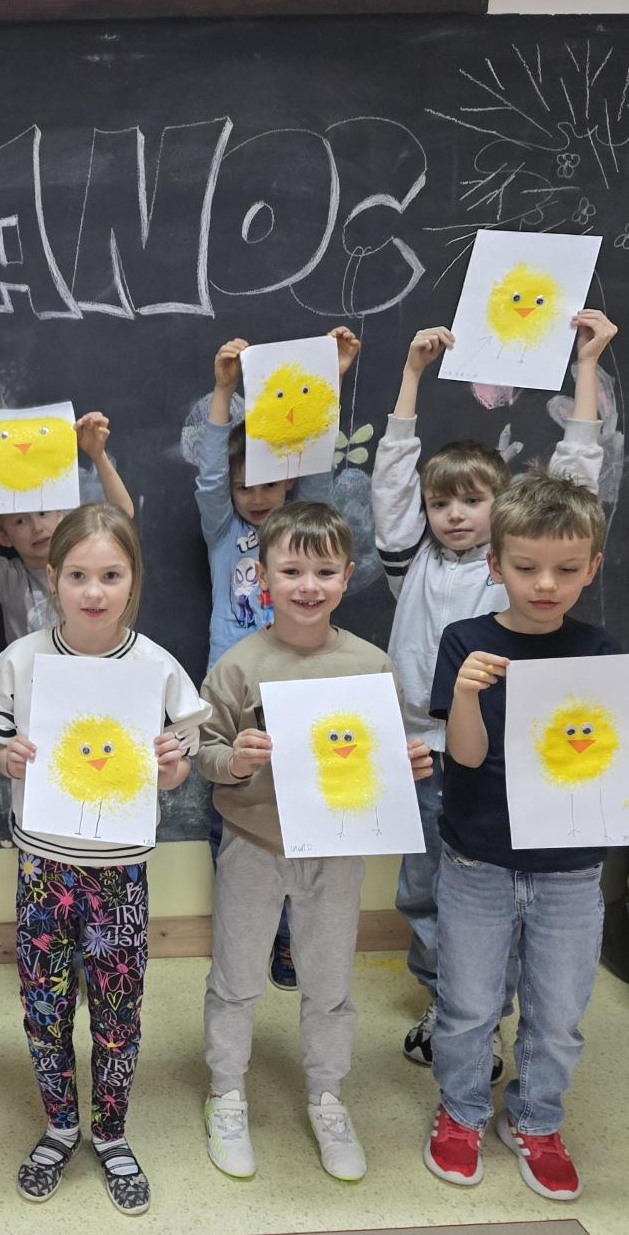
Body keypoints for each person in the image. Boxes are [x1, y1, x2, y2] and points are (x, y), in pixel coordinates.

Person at [423, 472, 629, 1201]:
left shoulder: (599, 648)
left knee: (558, 1012)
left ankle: (536, 1118)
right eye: (526, 566)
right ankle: (461, 1111)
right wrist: (468, 692)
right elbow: (466, 757)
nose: (545, 584)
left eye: (566, 569)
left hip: (571, 870)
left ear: (592, 568)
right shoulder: (466, 641)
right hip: (478, 858)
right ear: (494, 564)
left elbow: (614, 756)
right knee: (468, 1004)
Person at [374, 312, 613, 1073]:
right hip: (423, 748)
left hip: (506, 754)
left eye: (472, 501)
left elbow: (575, 484)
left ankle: (490, 1005)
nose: (453, 514)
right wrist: (410, 376)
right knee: (422, 887)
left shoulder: (511, 569)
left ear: (503, 514)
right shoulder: (408, 563)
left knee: (503, 890)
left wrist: (585, 367)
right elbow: (391, 482)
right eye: (440, 503)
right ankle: (448, 999)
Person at [197, 501, 432, 1183]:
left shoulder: (369, 663)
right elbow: (203, 750)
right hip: (252, 844)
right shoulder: (238, 665)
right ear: (263, 576)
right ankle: (226, 1091)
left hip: (335, 851)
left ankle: (327, 1094)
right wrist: (234, 759)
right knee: (236, 977)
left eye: (324, 571)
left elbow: (381, 754)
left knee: (329, 983)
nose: (308, 585)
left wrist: (404, 766)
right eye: (291, 570)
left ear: (347, 576)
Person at [0, 502, 208, 1215]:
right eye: (78, 574)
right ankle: (60, 1125)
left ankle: (109, 1132)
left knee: (117, 1011)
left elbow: (181, 757)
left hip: (119, 872)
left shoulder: (155, 667)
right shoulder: (22, 660)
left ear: (133, 579)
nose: (93, 591)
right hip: (43, 868)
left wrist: (172, 768)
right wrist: (7, 756)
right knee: (44, 1005)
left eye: (111, 575)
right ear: (52, 576)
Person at [195, 327, 360, 991]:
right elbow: (210, 474)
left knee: (300, 814)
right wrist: (223, 390)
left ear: (287, 479)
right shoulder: (224, 531)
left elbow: (315, 465)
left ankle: (290, 940)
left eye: (269, 482)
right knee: (232, 811)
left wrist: (332, 379)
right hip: (237, 690)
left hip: (302, 681)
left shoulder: (302, 527)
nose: (257, 496)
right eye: (245, 487)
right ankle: (245, 927)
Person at [0, 411, 135, 644]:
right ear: (3, 537)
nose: (37, 527)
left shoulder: (85, 559)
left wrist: (98, 455)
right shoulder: (11, 579)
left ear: (60, 514)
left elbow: (122, 516)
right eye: (20, 521)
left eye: (43, 513)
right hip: (30, 669)